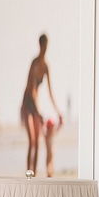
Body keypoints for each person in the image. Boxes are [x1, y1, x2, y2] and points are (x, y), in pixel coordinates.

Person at [20, 33, 62, 175]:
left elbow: (50, 92)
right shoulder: (35, 63)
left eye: (46, 46)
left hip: (35, 105)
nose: (44, 49)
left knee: (37, 142)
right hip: (27, 103)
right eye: (43, 46)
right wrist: (38, 111)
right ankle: (28, 174)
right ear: (40, 45)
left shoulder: (46, 67)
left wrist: (58, 112)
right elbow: (32, 89)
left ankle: (35, 174)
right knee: (32, 140)